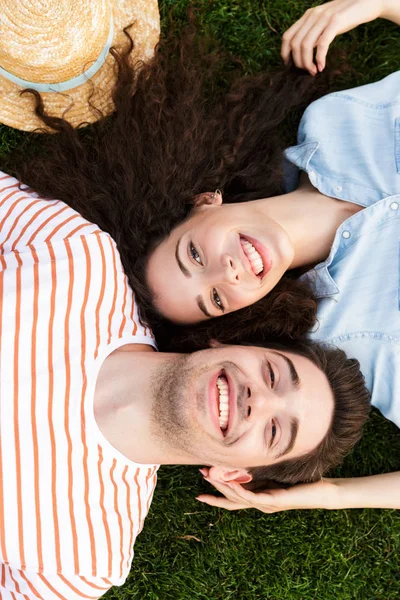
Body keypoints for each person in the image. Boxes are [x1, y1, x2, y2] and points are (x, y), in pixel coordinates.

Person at [0, 171, 370, 598]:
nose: (259, 401)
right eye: (272, 374)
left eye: (274, 431)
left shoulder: (82, 560)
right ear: (232, 341)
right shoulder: (79, 257)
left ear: (233, 474)